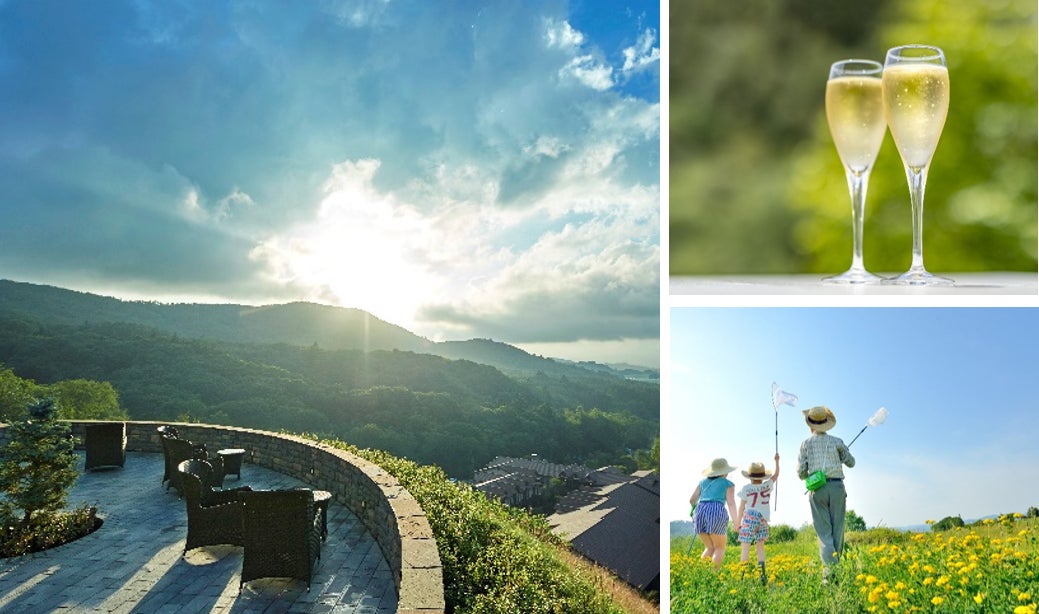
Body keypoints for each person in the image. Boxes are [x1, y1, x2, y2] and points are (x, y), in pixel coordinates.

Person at [797, 405, 855, 581]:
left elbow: (801, 473)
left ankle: (828, 575)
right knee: (838, 530)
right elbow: (851, 462)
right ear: (826, 423)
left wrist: (811, 474)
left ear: (810, 425)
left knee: (824, 533)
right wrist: (843, 454)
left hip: (817, 489)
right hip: (837, 488)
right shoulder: (837, 441)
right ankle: (836, 571)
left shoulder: (805, 444)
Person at [736, 453, 780, 584]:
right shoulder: (767, 485)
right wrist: (777, 461)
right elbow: (776, 475)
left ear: (750, 477)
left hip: (749, 517)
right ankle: (762, 576)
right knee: (760, 548)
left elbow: (741, 507)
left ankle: (742, 577)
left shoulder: (746, 488)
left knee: (745, 548)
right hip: (763, 519)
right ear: (762, 476)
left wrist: (738, 523)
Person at [689, 457, 739, 569]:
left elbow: (692, 500)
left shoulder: (702, 482)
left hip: (700, 512)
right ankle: (713, 575)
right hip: (716, 511)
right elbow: (731, 503)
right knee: (719, 547)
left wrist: (697, 509)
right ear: (724, 471)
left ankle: (701, 573)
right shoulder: (728, 483)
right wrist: (736, 522)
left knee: (709, 548)